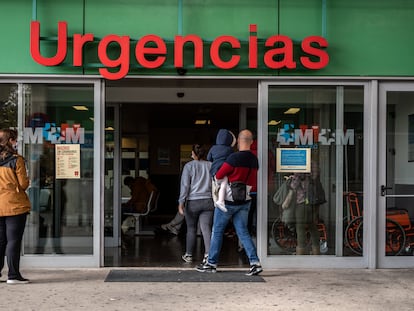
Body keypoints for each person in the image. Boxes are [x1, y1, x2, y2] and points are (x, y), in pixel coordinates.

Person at [196, 129, 263, 276]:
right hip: (245, 200)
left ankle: (211, 263)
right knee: (243, 232)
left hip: (228, 201)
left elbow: (219, 175)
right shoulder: (254, 160)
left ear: (239, 141)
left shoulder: (233, 158)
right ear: (251, 142)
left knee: (217, 231)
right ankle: (254, 262)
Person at [0, 129, 31, 284]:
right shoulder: (16, 160)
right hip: (14, 205)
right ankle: (13, 275)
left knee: (0, 240)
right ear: (11, 140)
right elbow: (23, 184)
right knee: (13, 240)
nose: (17, 142)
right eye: (15, 140)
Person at [178, 144, 214, 263]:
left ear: (193, 154)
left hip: (193, 202)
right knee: (206, 228)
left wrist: (181, 202)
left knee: (191, 229)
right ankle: (208, 255)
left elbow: (185, 185)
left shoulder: (189, 166)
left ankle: (188, 255)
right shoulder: (211, 165)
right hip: (208, 201)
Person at [289, 161, 326, 255]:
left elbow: (295, 185)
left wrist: (292, 179)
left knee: (300, 227)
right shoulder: (314, 164)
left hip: (302, 202)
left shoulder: (302, 165)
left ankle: (301, 252)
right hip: (313, 202)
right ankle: (316, 251)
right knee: (312, 226)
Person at [207, 129, 236, 212]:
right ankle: (221, 201)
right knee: (223, 185)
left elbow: (209, 158)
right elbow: (232, 159)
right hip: (224, 171)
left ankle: (216, 202)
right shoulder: (229, 149)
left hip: (214, 171)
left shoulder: (213, 148)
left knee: (215, 188)